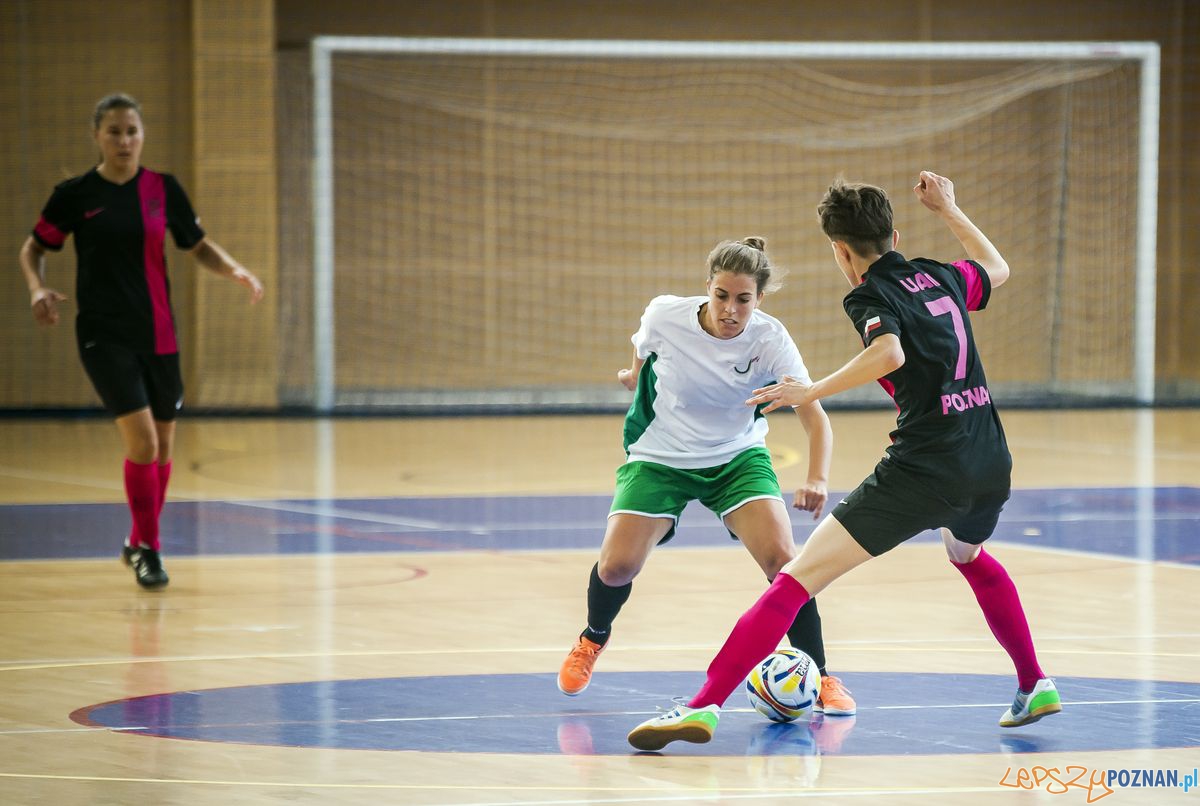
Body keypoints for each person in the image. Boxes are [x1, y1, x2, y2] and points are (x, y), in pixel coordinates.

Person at [628, 172, 1060, 752]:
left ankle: (703, 706)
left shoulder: (868, 294)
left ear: (840, 251)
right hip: (988, 457)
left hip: (924, 467)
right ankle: (1034, 683)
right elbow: (996, 268)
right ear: (894, 236)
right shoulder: (939, 275)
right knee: (968, 554)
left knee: (793, 582)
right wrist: (948, 208)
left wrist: (811, 391)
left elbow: (889, 352)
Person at [558, 236, 856, 718]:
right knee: (616, 568)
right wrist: (634, 377)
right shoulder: (665, 315)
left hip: (736, 458)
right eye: (721, 295)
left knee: (786, 564)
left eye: (743, 299)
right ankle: (593, 638)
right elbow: (642, 349)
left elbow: (814, 416)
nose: (730, 310)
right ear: (707, 287)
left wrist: (818, 478)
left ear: (759, 299)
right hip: (660, 455)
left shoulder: (771, 340)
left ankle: (820, 676)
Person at [17, 93, 264, 589]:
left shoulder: (162, 189)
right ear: (96, 136)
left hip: (159, 333)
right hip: (104, 335)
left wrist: (233, 268)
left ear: (142, 135)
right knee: (144, 443)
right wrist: (37, 287)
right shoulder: (75, 195)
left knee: (164, 448)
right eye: (114, 131)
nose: (124, 140)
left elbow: (196, 245)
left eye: (132, 131)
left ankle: (135, 540)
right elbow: (34, 248)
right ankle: (150, 550)